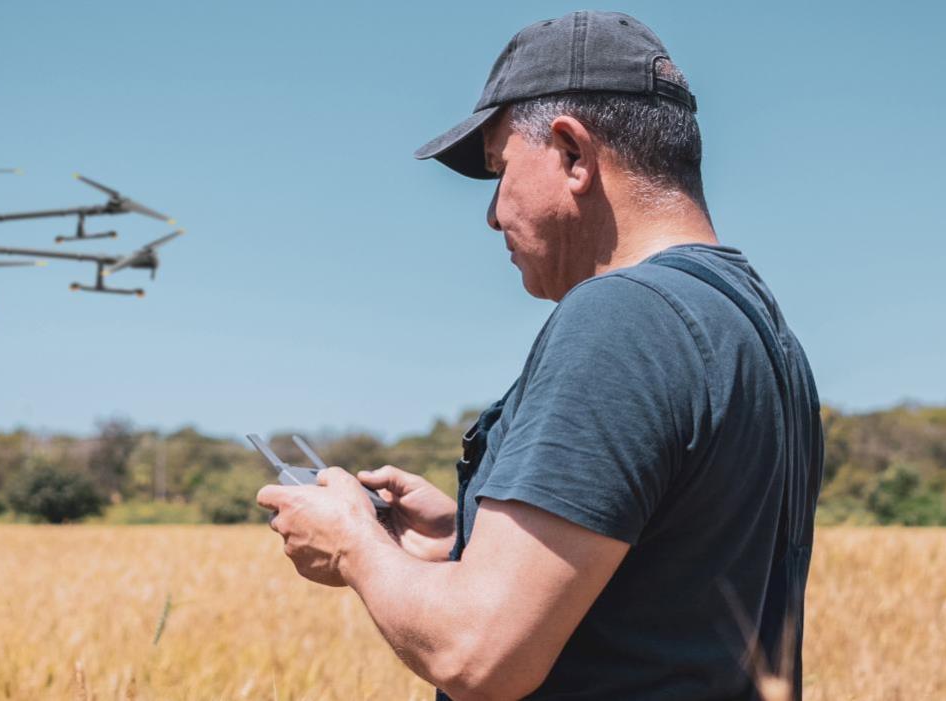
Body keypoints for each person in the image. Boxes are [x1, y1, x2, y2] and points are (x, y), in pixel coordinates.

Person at [255, 11, 823, 701]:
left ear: (572, 153)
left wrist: (352, 542)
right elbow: (674, 587)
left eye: (498, 169)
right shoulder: (756, 328)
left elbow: (478, 653)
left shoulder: (622, 317)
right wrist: (462, 541)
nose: (492, 213)